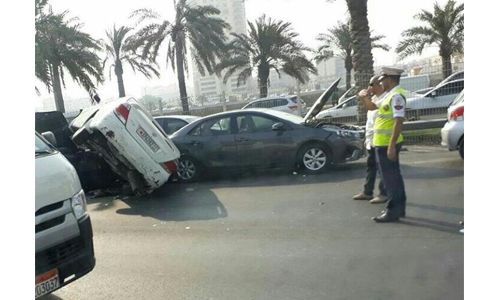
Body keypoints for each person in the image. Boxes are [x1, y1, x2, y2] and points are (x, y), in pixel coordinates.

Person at [357, 67, 407, 223]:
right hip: (381, 144)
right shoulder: (389, 96)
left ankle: (393, 211)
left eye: (382, 80)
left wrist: (392, 146)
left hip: (387, 145)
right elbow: (372, 107)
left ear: (389, 80)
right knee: (392, 178)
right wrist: (363, 98)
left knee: (391, 179)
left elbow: (399, 121)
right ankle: (398, 210)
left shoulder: (397, 96)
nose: (380, 83)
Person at [352, 76, 388, 204]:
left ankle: (384, 193)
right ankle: (367, 192)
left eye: (372, 84)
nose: (369, 87)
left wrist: (363, 97)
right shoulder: (374, 98)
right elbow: (370, 121)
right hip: (373, 139)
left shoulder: (385, 99)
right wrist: (367, 139)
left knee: (383, 168)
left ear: (380, 85)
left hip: (383, 141)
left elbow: (372, 108)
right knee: (371, 167)